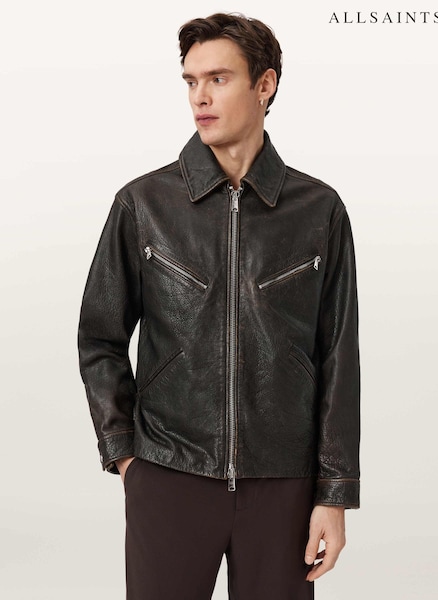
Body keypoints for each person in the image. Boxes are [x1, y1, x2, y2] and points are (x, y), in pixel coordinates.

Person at [78, 12, 360, 600]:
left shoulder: (319, 211)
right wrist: (127, 456)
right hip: (169, 474)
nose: (199, 97)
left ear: (265, 84)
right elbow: (100, 337)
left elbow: (338, 356)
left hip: (282, 484)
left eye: (218, 79)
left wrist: (333, 494)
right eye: (190, 81)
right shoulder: (143, 205)